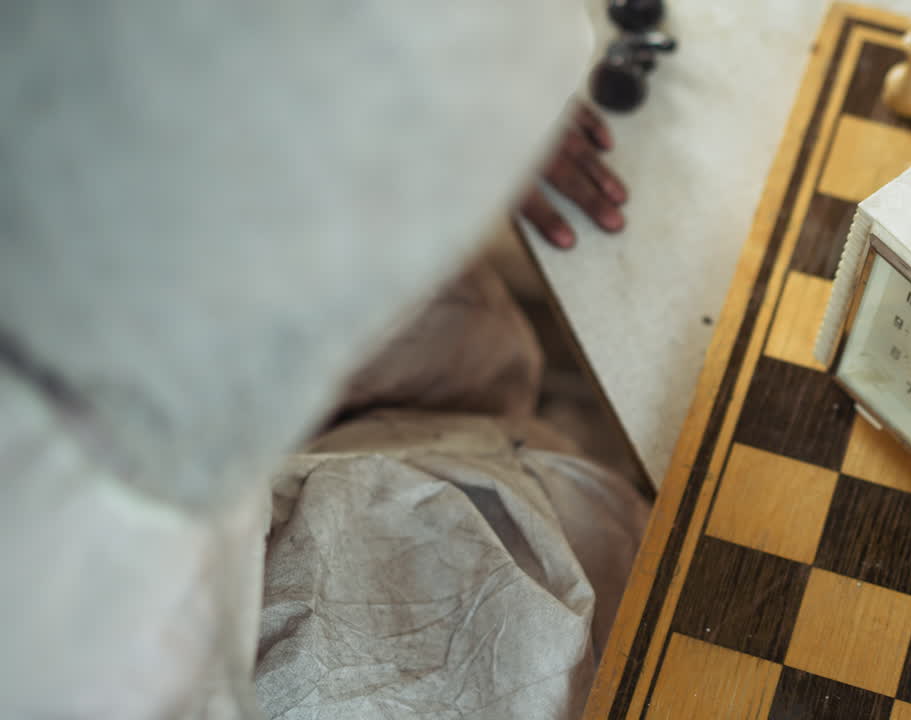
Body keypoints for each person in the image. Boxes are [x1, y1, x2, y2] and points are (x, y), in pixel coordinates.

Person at [0, 2, 648, 718]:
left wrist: (472, 104)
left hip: (158, 210)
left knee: (460, 351)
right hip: (93, 574)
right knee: (604, 627)